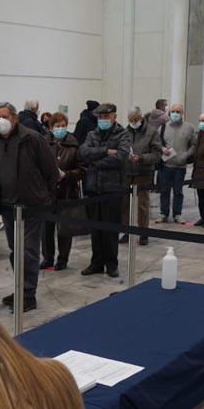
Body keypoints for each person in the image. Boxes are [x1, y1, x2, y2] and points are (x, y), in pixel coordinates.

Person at [0, 102, 59, 313]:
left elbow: (51, 172)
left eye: (4, 116)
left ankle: (28, 294)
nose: (1, 121)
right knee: (15, 250)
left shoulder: (32, 139)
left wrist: (43, 195)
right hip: (8, 207)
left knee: (28, 250)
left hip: (32, 206)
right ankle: (20, 288)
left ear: (15, 118)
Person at [78, 103, 130, 278]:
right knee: (95, 228)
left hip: (113, 188)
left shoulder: (123, 134)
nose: (102, 120)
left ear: (114, 117)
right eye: (100, 117)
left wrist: (95, 162)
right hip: (94, 188)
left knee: (110, 229)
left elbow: (121, 157)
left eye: (106, 117)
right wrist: (106, 151)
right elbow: (84, 152)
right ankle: (96, 263)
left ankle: (111, 264)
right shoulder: (92, 134)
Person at [42, 112, 83, 271]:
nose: (61, 129)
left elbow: (82, 169)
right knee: (46, 228)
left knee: (65, 228)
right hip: (48, 192)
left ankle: (63, 259)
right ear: (51, 128)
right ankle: (47, 258)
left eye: (63, 126)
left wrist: (68, 175)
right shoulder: (44, 144)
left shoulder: (74, 145)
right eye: (57, 126)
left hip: (67, 190)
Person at [123, 106, 161, 245]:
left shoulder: (151, 132)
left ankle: (143, 233)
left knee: (142, 205)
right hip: (127, 172)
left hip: (143, 172)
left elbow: (157, 154)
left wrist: (142, 158)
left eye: (135, 119)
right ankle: (126, 231)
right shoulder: (125, 132)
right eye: (130, 120)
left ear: (141, 118)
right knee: (124, 204)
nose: (133, 122)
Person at [155, 103, 195, 223]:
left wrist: (187, 154)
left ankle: (177, 213)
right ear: (169, 113)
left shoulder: (189, 127)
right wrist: (162, 149)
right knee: (164, 191)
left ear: (182, 114)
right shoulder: (162, 127)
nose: (175, 114)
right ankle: (164, 213)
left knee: (178, 192)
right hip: (166, 165)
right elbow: (156, 143)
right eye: (173, 111)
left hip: (180, 166)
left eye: (178, 112)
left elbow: (194, 144)